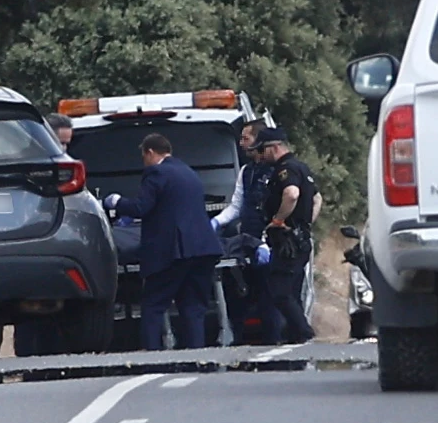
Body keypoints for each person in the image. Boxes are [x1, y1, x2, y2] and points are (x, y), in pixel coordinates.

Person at [103, 133, 223, 350]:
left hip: (175, 251)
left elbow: (142, 207)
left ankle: (153, 356)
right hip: (203, 249)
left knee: (154, 305)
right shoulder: (188, 172)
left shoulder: (157, 172)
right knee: (193, 307)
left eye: (143, 156)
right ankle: (196, 354)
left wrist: (117, 202)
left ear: (149, 152)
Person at [212, 119, 282, 344]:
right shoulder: (246, 171)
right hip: (249, 243)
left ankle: (277, 343)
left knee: (270, 298)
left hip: (272, 242)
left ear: (258, 141)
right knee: (242, 295)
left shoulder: (277, 171)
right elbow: (236, 206)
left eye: (246, 138)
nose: (241, 143)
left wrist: (267, 240)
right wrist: (216, 222)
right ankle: (240, 341)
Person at [14, 112, 77, 357]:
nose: (63, 148)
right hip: (30, 242)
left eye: (67, 144)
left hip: (55, 242)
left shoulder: (62, 165)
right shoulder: (28, 163)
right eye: (60, 142)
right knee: (29, 312)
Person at [253, 127, 321, 344]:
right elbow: (318, 198)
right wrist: (306, 223)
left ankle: (303, 332)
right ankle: (296, 337)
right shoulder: (302, 167)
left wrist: (279, 220)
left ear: (275, 147)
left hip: (288, 241)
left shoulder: (285, 169)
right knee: (292, 290)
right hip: (300, 238)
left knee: (280, 291)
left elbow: (291, 194)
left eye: (262, 150)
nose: (260, 156)